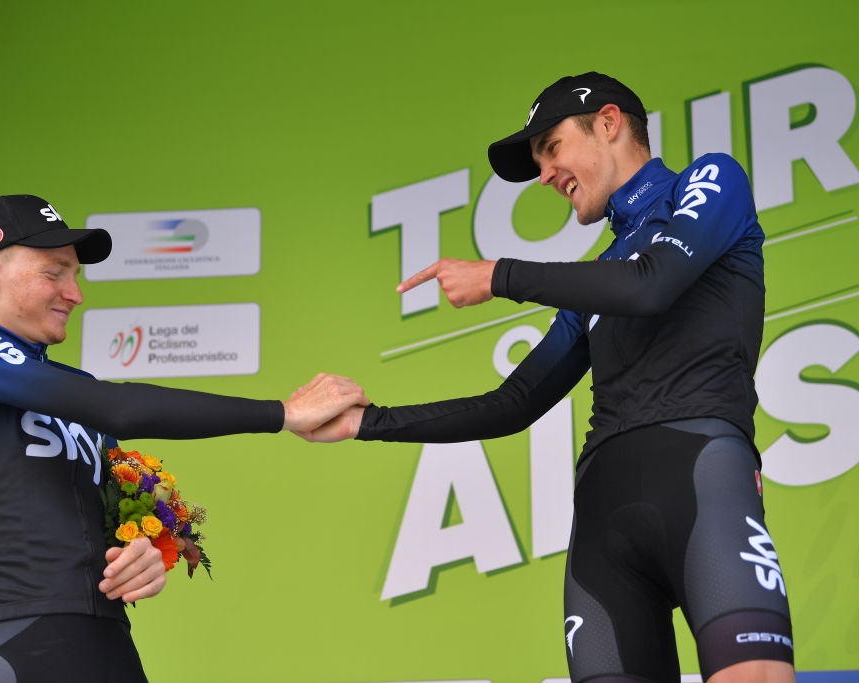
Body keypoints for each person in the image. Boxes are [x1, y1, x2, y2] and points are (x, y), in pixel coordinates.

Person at [297, 73, 795, 682]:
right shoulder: (598, 278)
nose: (544, 175)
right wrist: (367, 423)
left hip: (702, 484)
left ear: (608, 124)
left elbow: (654, 282)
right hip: (603, 527)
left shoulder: (711, 181)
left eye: (551, 148)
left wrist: (500, 275)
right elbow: (513, 404)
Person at [0, 194, 368, 683]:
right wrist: (284, 414)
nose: (75, 294)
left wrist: (148, 552)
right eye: (54, 273)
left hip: (107, 639)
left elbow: (104, 518)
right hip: (14, 638)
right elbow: (122, 409)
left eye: (76, 276)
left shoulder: (76, 390)